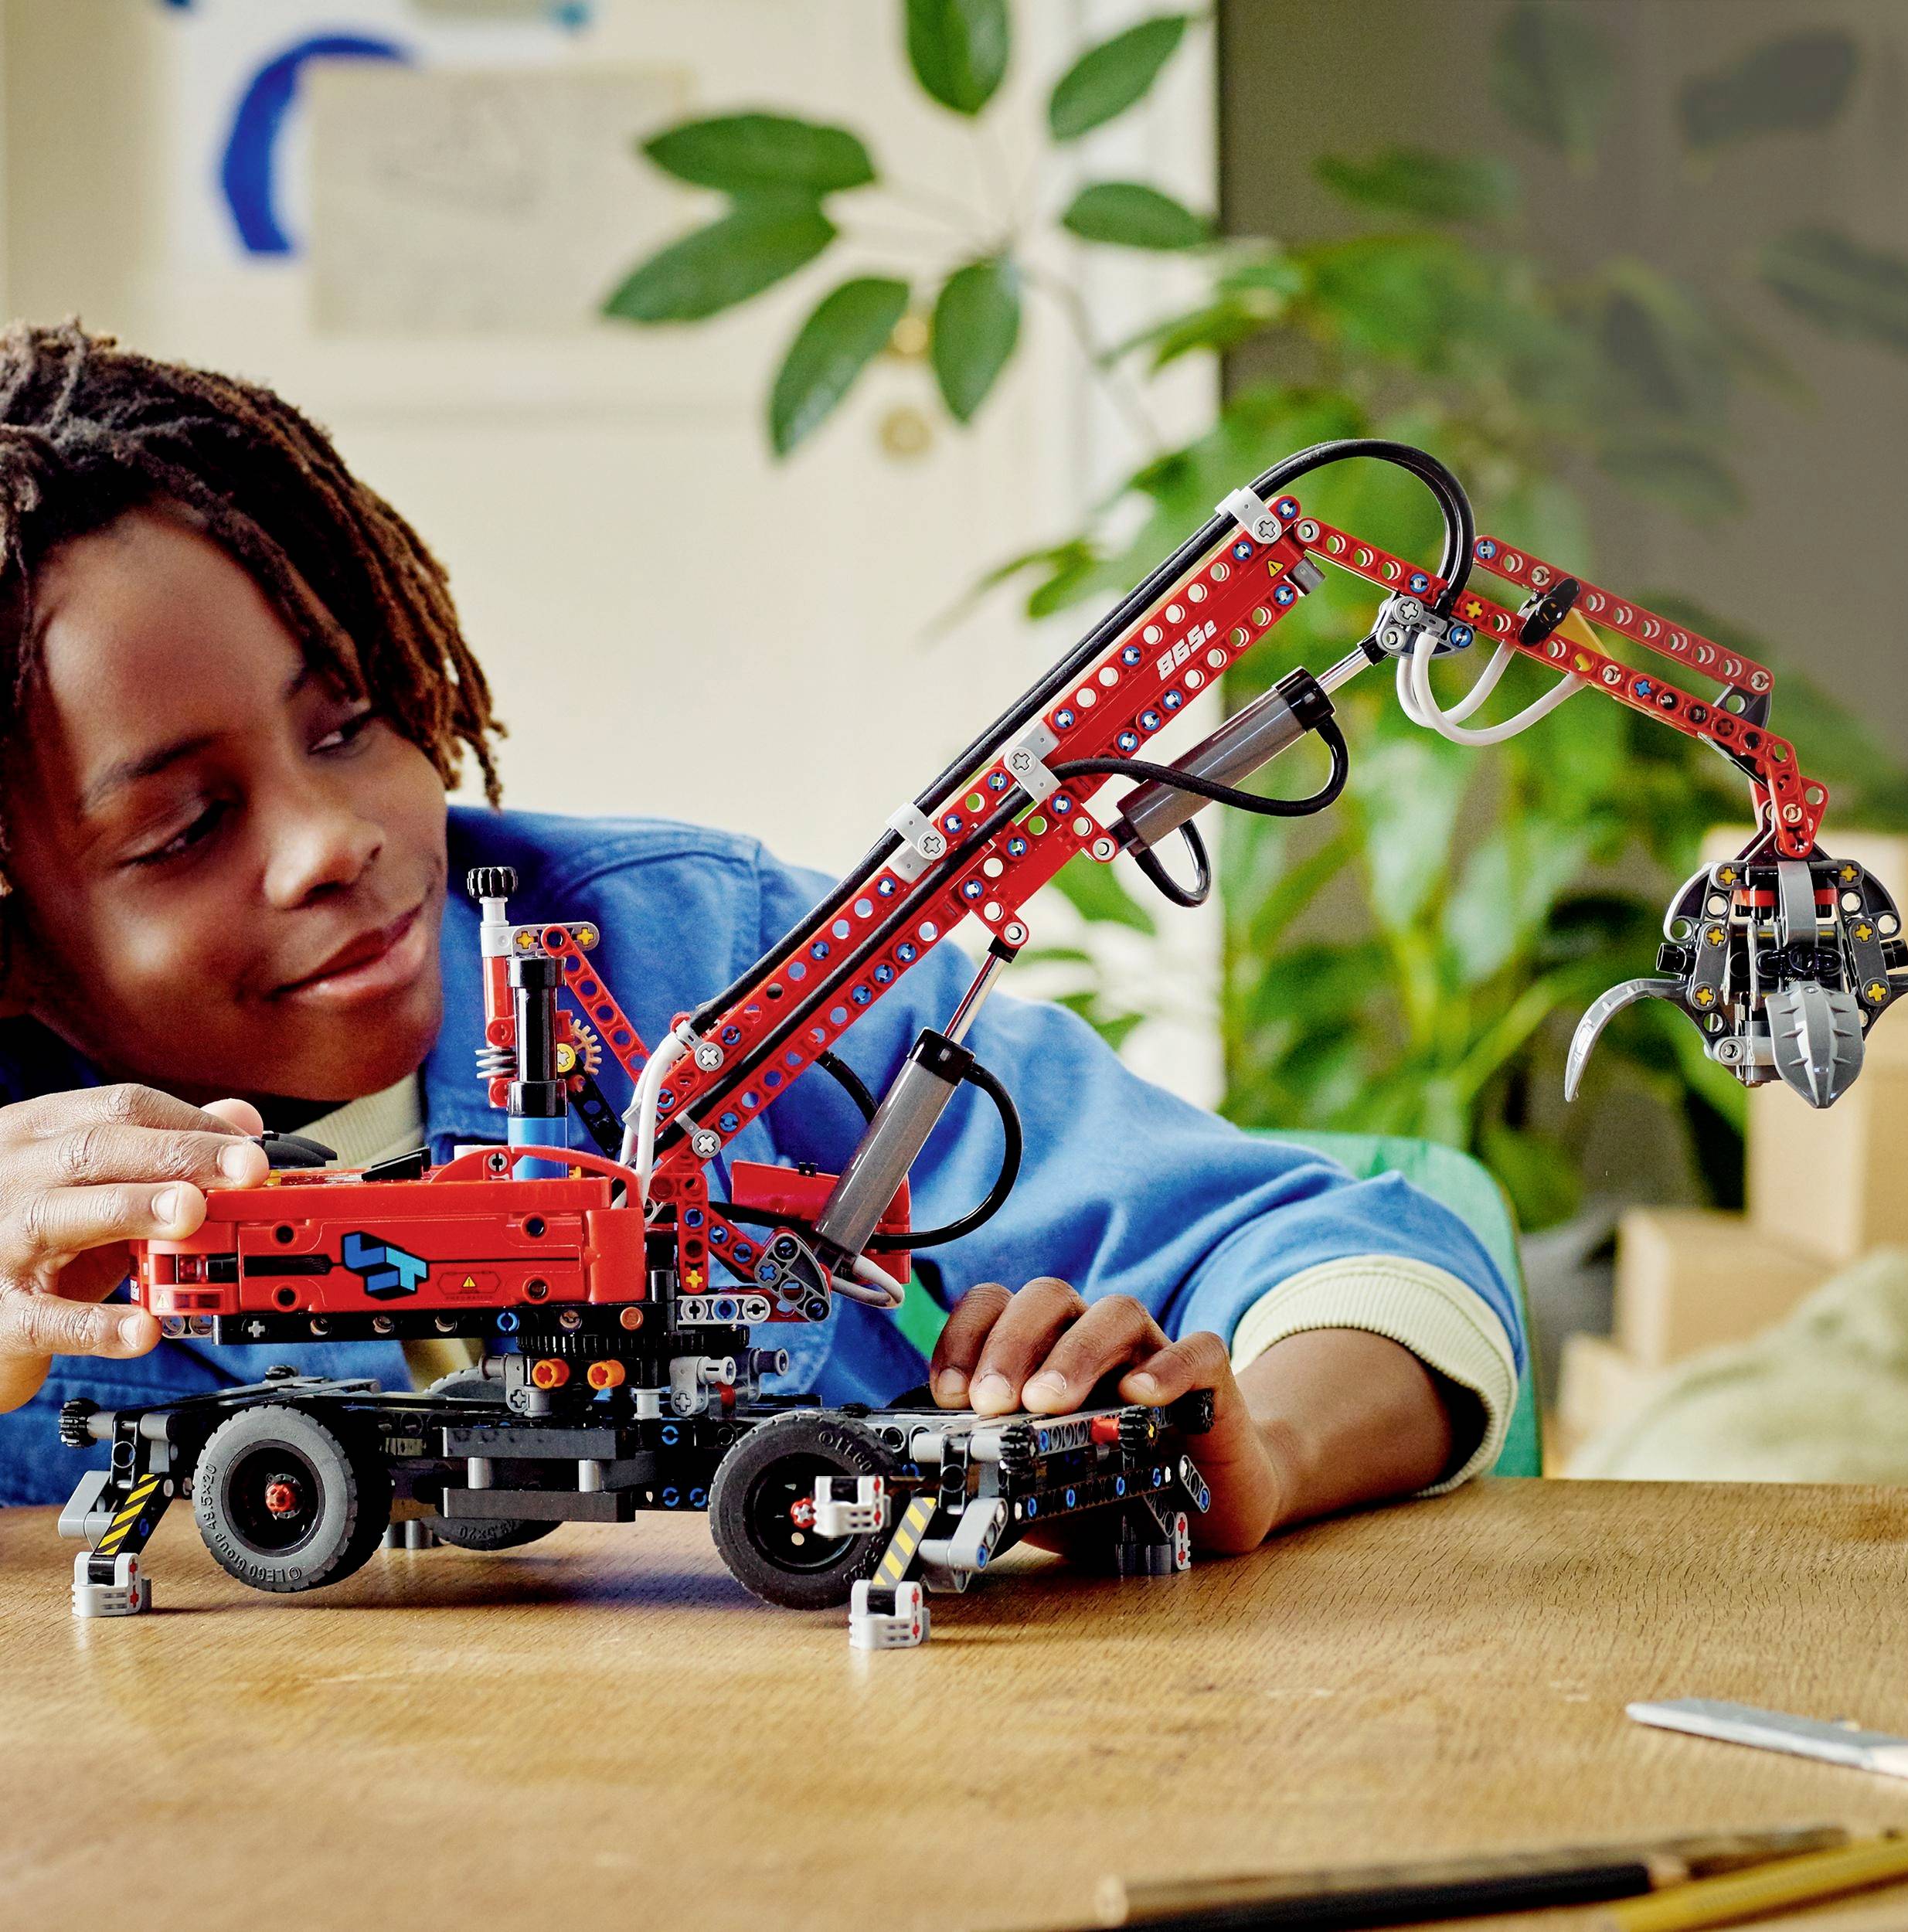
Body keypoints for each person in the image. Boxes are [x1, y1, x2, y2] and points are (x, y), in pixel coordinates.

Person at [0, 322, 1522, 1555]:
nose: (337, 836)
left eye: (353, 719)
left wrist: (1255, 1442)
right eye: (181, 829)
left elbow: (1372, 1261)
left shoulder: (711, 963)